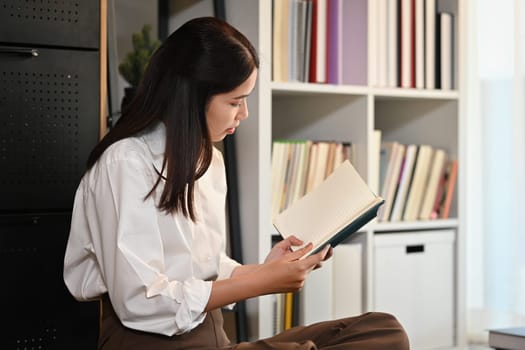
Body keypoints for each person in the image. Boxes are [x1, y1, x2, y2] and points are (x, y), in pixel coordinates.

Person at [63, 16, 409, 350]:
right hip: (149, 343)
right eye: (235, 101)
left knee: (383, 330)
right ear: (191, 95)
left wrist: (267, 270)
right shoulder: (125, 163)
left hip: (214, 337)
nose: (243, 114)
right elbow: (141, 301)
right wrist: (260, 283)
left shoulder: (209, 161)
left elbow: (206, 270)